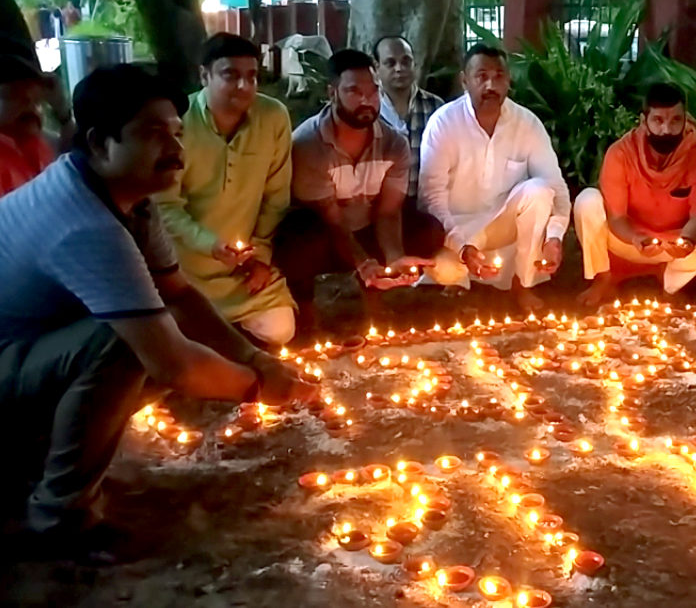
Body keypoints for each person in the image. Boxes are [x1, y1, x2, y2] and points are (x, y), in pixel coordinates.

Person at [0, 64, 315, 551]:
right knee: (125, 345)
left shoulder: (131, 200)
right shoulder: (86, 222)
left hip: (34, 347)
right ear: (100, 143)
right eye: (152, 133)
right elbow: (174, 364)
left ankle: (54, 448)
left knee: (150, 333)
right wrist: (261, 388)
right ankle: (60, 515)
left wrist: (256, 358)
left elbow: (180, 293)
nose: (174, 148)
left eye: (176, 132)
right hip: (9, 359)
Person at [275, 49, 440, 337]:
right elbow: (332, 219)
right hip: (325, 233)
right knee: (300, 238)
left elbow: (389, 211)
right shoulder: (308, 144)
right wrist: (363, 262)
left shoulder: (394, 143)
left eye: (373, 91)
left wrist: (395, 258)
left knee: (429, 230)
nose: (366, 100)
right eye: (354, 91)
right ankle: (303, 309)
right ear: (332, 93)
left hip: (368, 226)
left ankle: (377, 294)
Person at [156, 33, 296, 347]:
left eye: (252, 76)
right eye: (230, 76)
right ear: (204, 75)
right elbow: (165, 206)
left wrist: (260, 258)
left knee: (281, 329)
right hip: (186, 268)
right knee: (175, 338)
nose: (244, 86)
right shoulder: (178, 123)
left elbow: (276, 197)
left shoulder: (273, 117)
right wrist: (210, 245)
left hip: (244, 268)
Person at [419, 44, 570, 310]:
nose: (490, 85)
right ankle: (461, 280)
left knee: (539, 191)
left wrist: (554, 237)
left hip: (504, 223)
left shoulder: (526, 123)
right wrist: (462, 246)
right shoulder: (444, 123)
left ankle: (523, 284)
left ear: (508, 80)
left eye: (499, 76)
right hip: (458, 228)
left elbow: (555, 185)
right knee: (445, 269)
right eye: (481, 76)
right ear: (464, 81)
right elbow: (431, 197)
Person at [574, 82, 696, 306]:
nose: (667, 130)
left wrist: (687, 241)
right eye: (658, 120)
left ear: (685, 120)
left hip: (673, 242)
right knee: (587, 201)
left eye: (675, 120)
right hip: (628, 239)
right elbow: (617, 218)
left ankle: (670, 285)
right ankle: (603, 279)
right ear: (644, 121)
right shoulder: (621, 153)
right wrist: (636, 238)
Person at [373, 35, 445, 183]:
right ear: (376, 68)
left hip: (425, 195)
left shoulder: (435, 107)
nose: (399, 69)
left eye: (406, 61)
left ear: (414, 63)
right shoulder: (368, 110)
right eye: (390, 63)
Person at [0, 42, 58, 196]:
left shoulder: (36, 144)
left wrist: (63, 114)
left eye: (35, 93)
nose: (29, 102)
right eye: (13, 93)